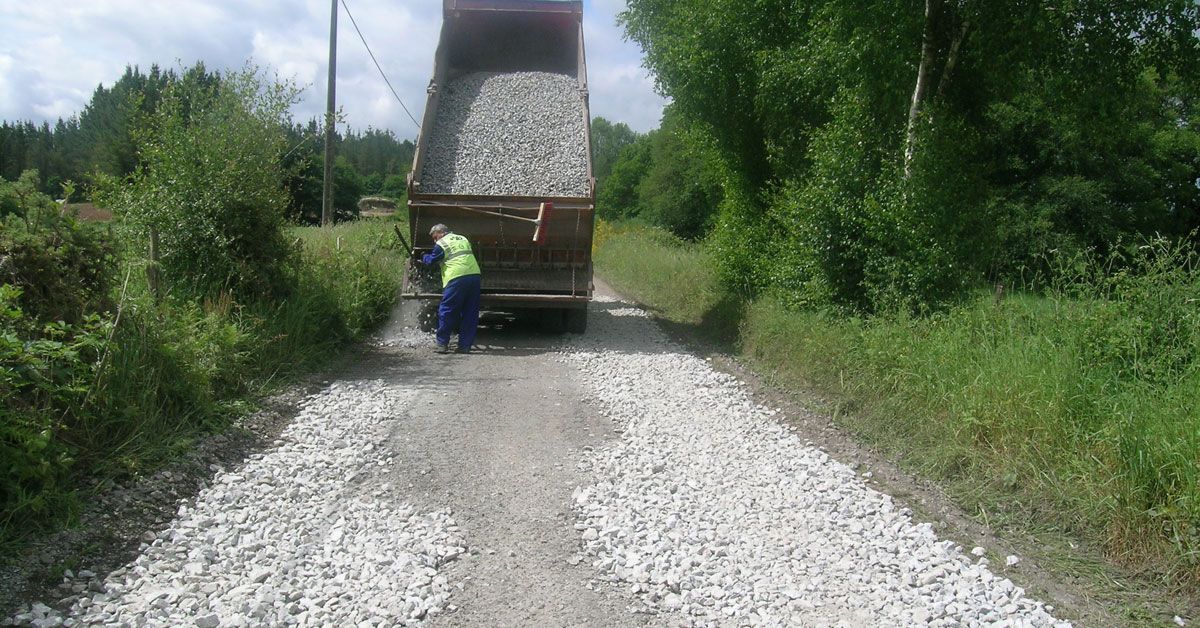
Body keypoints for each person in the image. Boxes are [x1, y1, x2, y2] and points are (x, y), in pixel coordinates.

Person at [420, 223, 482, 353]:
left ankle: (442, 344)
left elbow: (432, 260)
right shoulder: (463, 238)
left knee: (447, 310)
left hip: (456, 277)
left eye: (434, 237)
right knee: (470, 312)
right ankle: (465, 346)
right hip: (474, 276)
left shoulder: (442, 243)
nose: (434, 240)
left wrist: (423, 256)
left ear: (441, 233)